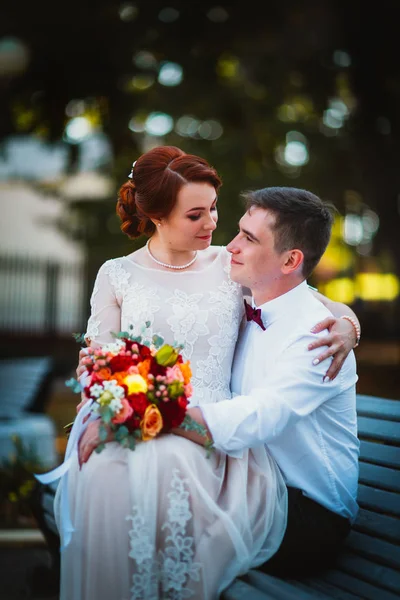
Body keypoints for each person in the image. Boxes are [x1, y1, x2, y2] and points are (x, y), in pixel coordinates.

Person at [58, 146, 360, 600]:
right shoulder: (117, 274)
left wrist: (349, 324)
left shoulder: (231, 268)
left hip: (223, 438)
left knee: (160, 467)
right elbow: (101, 362)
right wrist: (105, 392)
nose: (216, 227)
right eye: (196, 215)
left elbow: (306, 297)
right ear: (158, 216)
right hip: (144, 409)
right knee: (111, 470)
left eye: (215, 210)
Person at [173, 185, 360, 578]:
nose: (231, 246)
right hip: (248, 481)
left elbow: (259, 417)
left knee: (168, 516)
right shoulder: (245, 298)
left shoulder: (319, 337)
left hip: (306, 515)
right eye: (239, 230)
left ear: (291, 259)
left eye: (249, 238)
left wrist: (162, 417)